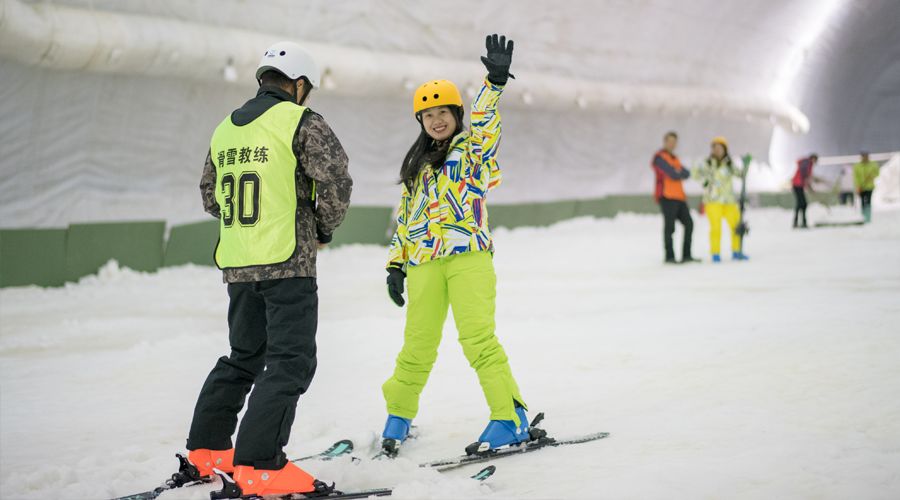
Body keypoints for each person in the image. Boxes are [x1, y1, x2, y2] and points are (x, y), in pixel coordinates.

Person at [186, 41, 352, 498]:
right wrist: (321, 226)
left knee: (244, 356)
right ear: (298, 85)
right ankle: (260, 466)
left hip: (239, 265)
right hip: (288, 263)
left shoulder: (226, 129)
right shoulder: (301, 121)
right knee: (290, 362)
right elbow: (336, 180)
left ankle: (208, 453)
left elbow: (209, 194)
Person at [380, 34, 533, 458]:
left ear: (456, 114)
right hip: (424, 264)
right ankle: (399, 415)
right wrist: (396, 265)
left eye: (442, 112)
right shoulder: (417, 166)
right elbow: (406, 219)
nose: (435, 120)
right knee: (417, 344)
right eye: (427, 115)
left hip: (468, 258)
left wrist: (493, 83)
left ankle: (509, 417)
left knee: (478, 340)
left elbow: (486, 123)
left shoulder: (472, 151)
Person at [695, 137, 748, 262]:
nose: (718, 150)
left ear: (725, 150)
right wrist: (705, 182)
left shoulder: (729, 164)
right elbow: (696, 174)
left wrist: (746, 166)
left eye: (720, 148)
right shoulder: (707, 163)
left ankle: (737, 250)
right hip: (713, 201)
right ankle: (715, 253)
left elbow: (741, 175)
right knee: (716, 227)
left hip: (729, 200)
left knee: (735, 225)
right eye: (715, 148)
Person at [652, 131, 697, 263]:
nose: (672, 144)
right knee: (669, 227)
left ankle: (686, 255)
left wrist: (677, 172)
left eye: (674, 141)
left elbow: (686, 173)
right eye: (670, 141)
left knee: (689, 224)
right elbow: (672, 173)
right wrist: (677, 172)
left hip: (679, 197)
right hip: (667, 197)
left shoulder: (675, 158)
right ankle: (669, 256)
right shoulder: (659, 157)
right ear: (665, 142)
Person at [791, 153, 818, 228]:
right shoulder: (807, 163)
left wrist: (809, 187)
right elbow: (804, 175)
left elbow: (806, 177)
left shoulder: (808, 164)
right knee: (801, 204)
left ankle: (800, 222)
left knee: (802, 204)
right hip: (797, 185)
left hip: (799, 185)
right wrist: (810, 187)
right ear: (813, 158)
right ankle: (799, 222)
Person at [853, 151, 880, 223]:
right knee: (862, 202)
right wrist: (858, 186)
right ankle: (863, 216)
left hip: (869, 187)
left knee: (868, 201)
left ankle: (868, 217)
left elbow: (877, 173)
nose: (865, 158)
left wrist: (872, 175)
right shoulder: (857, 166)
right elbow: (856, 177)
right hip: (861, 187)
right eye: (864, 156)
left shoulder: (873, 165)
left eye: (866, 156)